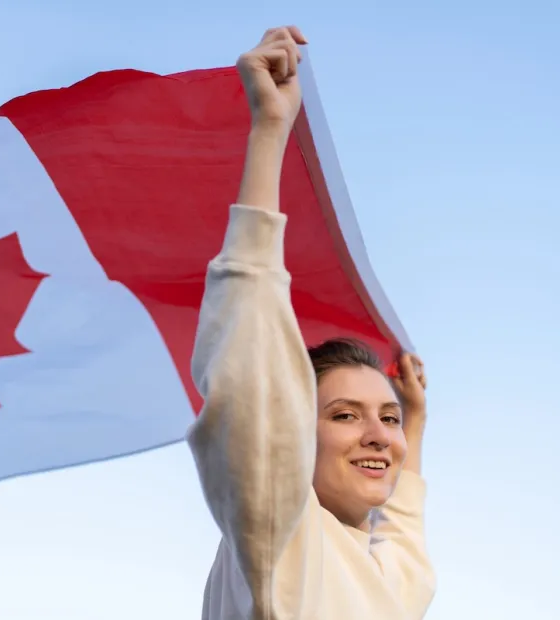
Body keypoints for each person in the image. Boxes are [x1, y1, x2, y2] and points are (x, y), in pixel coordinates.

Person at [187, 26, 436, 619]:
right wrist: (270, 134)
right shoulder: (283, 532)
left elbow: (406, 543)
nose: (379, 434)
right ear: (294, 435)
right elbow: (252, 371)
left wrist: (415, 427)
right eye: (343, 415)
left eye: (388, 420)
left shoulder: (384, 588)